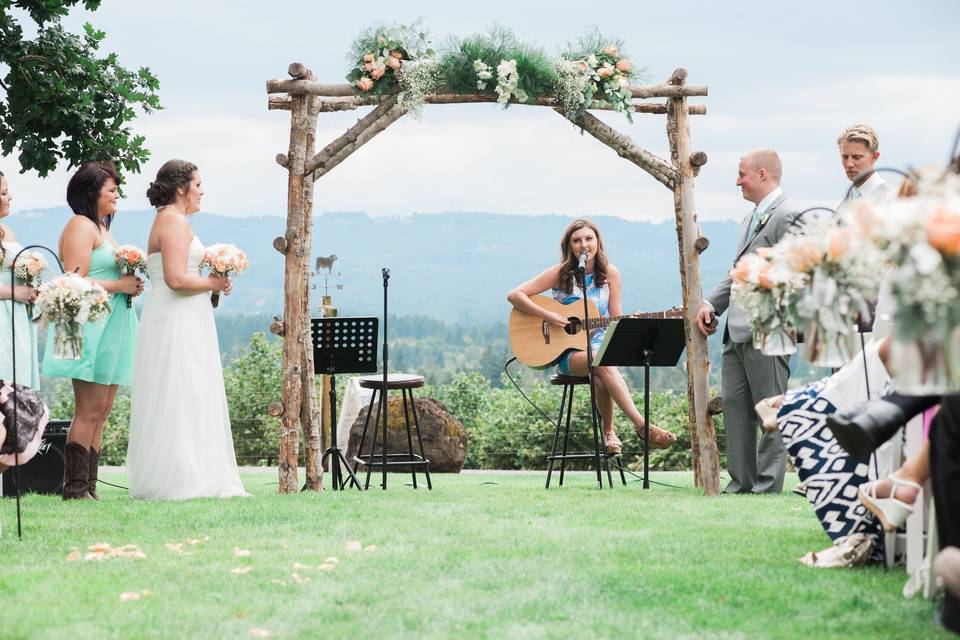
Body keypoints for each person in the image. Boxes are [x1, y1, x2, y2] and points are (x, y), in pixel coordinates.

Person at [126, 159, 247, 500]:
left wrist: (212, 283)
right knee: (181, 390)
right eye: (198, 184)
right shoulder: (173, 221)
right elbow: (177, 279)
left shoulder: (170, 219)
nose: (202, 191)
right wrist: (212, 280)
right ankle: (181, 477)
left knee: (188, 390)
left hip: (183, 315)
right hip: (177, 318)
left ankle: (189, 470)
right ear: (181, 188)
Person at [506, 218, 677, 456]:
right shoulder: (559, 273)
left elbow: (616, 317)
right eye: (577, 240)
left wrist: (630, 322)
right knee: (602, 360)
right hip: (566, 354)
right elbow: (515, 295)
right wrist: (549, 315)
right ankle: (641, 426)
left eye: (589, 239)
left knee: (600, 369)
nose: (583, 244)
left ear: (598, 242)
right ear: (569, 246)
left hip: (600, 346)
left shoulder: (610, 274)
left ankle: (609, 433)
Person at [695, 149, 799, 494]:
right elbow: (738, 271)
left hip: (768, 329)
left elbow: (797, 272)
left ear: (763, 174)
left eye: (742, 174)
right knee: (737, 409)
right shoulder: (750, 218)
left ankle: (767, 485)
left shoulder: (789, 215)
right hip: (735, 330)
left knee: (771, 409)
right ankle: (741, 482)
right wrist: (711, 302)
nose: (738, 181)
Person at [41, 162, 142, 500]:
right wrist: (120, 284)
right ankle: (75, 489)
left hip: (113, 325)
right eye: (110, 189)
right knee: (88, 408)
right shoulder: (80, 226)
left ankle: (91, 488)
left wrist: (129, 284)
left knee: (103, 409)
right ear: (90, 192)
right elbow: (75, 280)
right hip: (89, 327)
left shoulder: (102, 226)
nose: (116, 194)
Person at [0, 170, 41, 389]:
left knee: (16, 392)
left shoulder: (7, 230)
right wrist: (16, 293)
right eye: (4, 193)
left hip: (17, 318)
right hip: (2, 318)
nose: (10, 197)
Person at [837, 123, 886, 201]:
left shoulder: (889, 199)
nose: (849, 164)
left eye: (857, 157)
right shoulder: (844, 202)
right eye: (845, 157)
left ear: (874, 157)